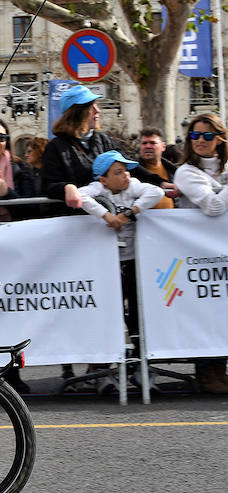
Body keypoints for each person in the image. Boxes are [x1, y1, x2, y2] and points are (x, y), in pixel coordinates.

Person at [77, 150, 165, 394]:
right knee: (108, 314)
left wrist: (128, 213)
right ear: (103, 179)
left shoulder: (133, 186)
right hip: (106, 263)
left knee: (137, 315)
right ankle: (104, 371)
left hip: (133, 260)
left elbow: (156, 191)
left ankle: (141, 368)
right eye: (118, 172)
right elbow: (80, 196)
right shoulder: (98, 189)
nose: (125, 175)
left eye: (126, 170)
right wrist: (106, 215)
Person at [40, 85, 171, 212]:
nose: (98, 111)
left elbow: (129, 165)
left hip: (111, 217)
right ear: (77, 113)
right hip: (75, 220)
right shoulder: (56, 147)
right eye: (92, 107)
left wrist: (159, 182)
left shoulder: (103, 140)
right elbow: (47, 185)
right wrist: (67, 188)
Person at [172, 113, 228, 394]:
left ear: (219, 138)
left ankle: (222, 368)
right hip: (197, 254)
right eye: (195, 136)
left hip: (223, 251)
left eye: (207, 136)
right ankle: (207, 371)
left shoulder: (224, 167)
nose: (200, 141)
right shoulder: (186, 171)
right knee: (205, 310)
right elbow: (213, 207)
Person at [137, 127, 179, 209]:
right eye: (144, 143)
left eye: (153, 143)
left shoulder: (174, 172)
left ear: (163, 147)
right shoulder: (132, 172)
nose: (148, 146)